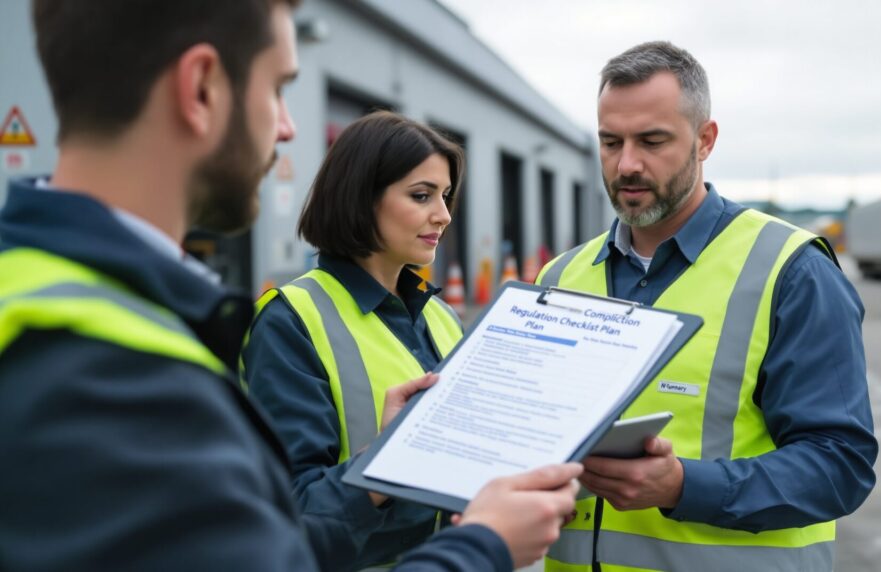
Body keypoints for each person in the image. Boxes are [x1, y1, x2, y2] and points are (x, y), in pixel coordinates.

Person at [0, 1, 581, 570]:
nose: (288, 126)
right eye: (278, 88)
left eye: (445, 197)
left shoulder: (107, 319)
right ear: (200, 87)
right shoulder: (112, 369)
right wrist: (484, 546)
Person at [537, 41, 877, 571]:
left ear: (705, 140)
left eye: (652, 141)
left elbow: (840, 465)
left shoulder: (792, 271)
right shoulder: (558, 279)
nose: (627, 164)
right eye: (610, 142)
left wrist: (683, 486)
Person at [241, 111, 467, 570]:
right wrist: (386, 459)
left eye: (445, 196)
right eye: (421, 195)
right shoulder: (291, 320)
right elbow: (291, 511)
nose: (443, 215)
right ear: (362, 198)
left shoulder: (443, 318)